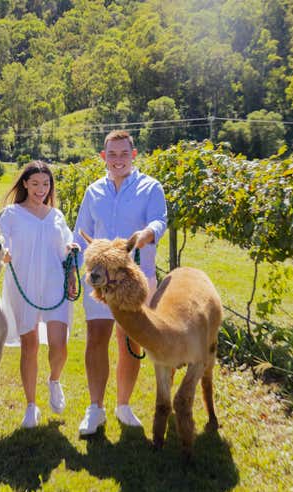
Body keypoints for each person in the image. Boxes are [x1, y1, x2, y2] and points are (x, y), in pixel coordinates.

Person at [73, 130, 167, 436]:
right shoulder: (93, 191)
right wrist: (73, 268)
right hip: (100, 283)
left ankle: (123, 406)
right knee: (95, 338)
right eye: (111, 154)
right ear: (103, 157)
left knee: (130, 342)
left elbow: (159, 220)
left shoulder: (150, 187)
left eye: (123, 153)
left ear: (133, 154)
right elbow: (81, 233)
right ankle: (95, 409)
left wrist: (147, 234)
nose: (118, 160)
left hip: (133, 282)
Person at [0, 160, 79, 428]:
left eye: (45, 184)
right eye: (35, 184)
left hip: (54, 284)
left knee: (59, 345)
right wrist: (3, 252)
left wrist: (72, 272)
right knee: (29, 345)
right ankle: (31, 406)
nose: (41, 189)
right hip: (24, 284)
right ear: (25, 184)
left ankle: (54, 380)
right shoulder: (11, 214)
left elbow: (66, 248)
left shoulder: (57, 216)